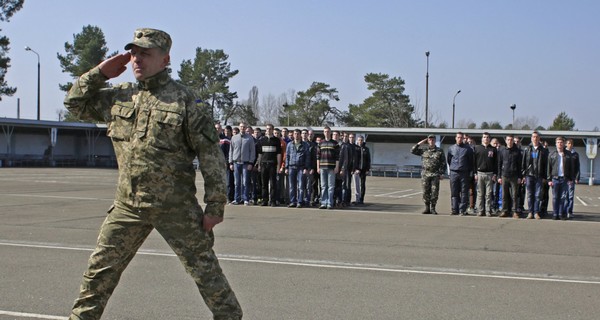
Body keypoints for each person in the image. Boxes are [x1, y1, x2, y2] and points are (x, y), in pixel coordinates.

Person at [63, 28, 242, 319]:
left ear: (165, 59)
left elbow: (211, 156)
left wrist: (215, 206)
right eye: (134, 53)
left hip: (175, 207)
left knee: (207, 275)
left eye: (145, 53)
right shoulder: (119, 97)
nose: (137, 59)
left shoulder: (185, 101)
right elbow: (74, 104)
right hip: (128, 206)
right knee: (98, 275)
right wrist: (99, 73)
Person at [411, 134, 446, 214]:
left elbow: (443, 163)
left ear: (435, 141)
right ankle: (427, 208)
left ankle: (433, 208)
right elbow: (412, 150)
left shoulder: (439, 151)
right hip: (425, 174)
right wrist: (421, 143)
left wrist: (442, 173)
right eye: (430, 139)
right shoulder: (424, 150)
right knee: (425, 191)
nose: (431, 141)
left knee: (434, 192)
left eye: (433, 139)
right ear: (428, 141)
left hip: (435, 174)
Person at [522, 131, 548, 219]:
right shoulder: (527, 149)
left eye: (537, 137)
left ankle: (536, 212)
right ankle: (530, 212)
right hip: (529, 175)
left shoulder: (543, 150)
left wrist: (545, 177)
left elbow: (546, 165)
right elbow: (524, 163)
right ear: (531, 138)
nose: (535, 138)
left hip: (539, 176)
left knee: (538, 195)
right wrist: (523, 175)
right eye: (533, 137)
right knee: (529, 194)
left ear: (539, 138)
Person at [447, 132, 474, 215]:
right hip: (454, 172)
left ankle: (462, 210)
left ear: (463, 138)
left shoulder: (468, 149)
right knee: (454, 192)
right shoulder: (451, 148)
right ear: (455, 138)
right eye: (458, 137)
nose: (459, 139)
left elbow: (471, 161)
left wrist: (469, 172)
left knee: (464, 192)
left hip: (464, 173)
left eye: (461, 137)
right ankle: (454, 209)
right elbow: (449, 160)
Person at [547, 136, 574, 220]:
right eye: (558, 142)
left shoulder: (568, 154)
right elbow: (549, 168)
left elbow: (571, 168)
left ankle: (561, 213)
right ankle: (555, 214)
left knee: (563, 197)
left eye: (561, 142)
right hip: (555, 179)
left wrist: (570, 179)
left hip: (564, 179)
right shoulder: (552, 154)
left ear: (564, 144)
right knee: (555, 197)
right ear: (555, 144)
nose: (560, 144)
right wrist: (549, 179)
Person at [229, 122, 255, 205]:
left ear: (246, 128)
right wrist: (231, 163)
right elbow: (231, 151)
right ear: (239, 128)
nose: (242, 128)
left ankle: (245, 199)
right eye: (241, 127)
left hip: (246, 163)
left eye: (244, 127)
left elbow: (252, 151)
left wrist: (251, 163)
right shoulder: (234, 138)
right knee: (237, 183)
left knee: (245, 182)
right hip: (236, 163)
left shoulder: (249, 138)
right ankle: (237, 199)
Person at [256, 124, 282, 207]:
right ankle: (265, 200)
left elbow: (279, 154)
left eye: (270, 129)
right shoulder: (261, 140)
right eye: (267, 129)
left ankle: (273, 201)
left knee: (273, 184)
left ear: (272, 130)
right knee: (264, 184)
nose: (268, 130)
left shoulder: (277, 141)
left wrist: (278, 166)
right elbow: (260, 154)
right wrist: (259, 165)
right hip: (264, 164)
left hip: (273, 164)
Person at [498, 134, 523, 218]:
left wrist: (520, 177)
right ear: (505, 141)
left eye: (511, 140)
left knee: (514, 195)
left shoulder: (517, 151)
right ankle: (505, 211)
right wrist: (499, 176)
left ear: (513, 141)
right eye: (508, 140)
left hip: (514, 176)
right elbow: (499, 164)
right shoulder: (502, 150)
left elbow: (520, 165)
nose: (510, 141)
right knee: (504, 195)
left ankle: (515, 211)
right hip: (504, 175)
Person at [285, 129, 311, 207]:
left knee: (301, 186)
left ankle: (300, 201)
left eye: (298, 134)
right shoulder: (289, 144)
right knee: (292, 186)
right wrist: (286, 167)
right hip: (291, 167)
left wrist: (306, 168)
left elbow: (307, 157)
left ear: (300, 135)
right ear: (293, 135)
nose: (296, 135)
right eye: (295, 134)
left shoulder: (305, 145)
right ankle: (293, 201)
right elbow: (287, 156)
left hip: (301, 167)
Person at [473, 132, 497, 216]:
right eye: (484, 137)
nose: (486, 139)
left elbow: (496, 163)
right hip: (479, 174)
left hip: (490, 174)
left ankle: (488, 210)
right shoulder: (477, 148)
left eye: (487, 137)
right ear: (482, 138)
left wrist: (495, 174)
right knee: (480, 193)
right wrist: (475, 173)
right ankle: (480, 210)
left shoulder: (493, 149)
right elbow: (474, 162)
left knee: (489, 194)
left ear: (489, 139)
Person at [317, 126, 340, 209]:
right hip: (322, 167)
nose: (326, 133)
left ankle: (330, 203)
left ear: (330, 132)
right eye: (325, 131)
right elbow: (318, 156)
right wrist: (318, 167)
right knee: (323, 186)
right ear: (323, 132)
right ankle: (323, 202)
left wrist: (337, 167)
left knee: (331, 186)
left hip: (331, 167)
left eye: (328, 131)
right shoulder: (320, 143)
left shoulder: (335, 143)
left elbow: (338, 157)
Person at [352, 134, 371, 205]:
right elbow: (354, 160)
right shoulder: (355, 148)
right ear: (357, 140)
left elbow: (368, 160)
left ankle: (361, 199)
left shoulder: (366, 149)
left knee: (362, 185)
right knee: (356, 185)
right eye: (359, 140)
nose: (360, 141)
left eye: (361, 140)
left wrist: (367, 169)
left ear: (363, 141)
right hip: (357, 169)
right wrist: (355, 168)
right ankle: (357, 199)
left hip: (364, 169)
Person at [565, 138, 580, 219]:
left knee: (570, 196)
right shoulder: (564, 153)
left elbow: (578, 167)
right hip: (564, 178)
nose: (570, 145)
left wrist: (577, 177)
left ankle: (569, 211)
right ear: (566, 144)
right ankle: (564, 210)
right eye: (568, 143)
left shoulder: (575, 155)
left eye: (571, 143)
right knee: (564, 195)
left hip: (572, 178)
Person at [338, 131, 355, 207]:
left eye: (346, 136)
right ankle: (339, 200)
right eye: (343, 136)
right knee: (339, 186)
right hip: (338, 169)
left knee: (346, 186)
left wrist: (352, 169)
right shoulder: (339, 145)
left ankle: (346, 201)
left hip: (347, 169)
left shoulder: (350, 146)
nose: (344, 137)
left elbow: (352, 159)